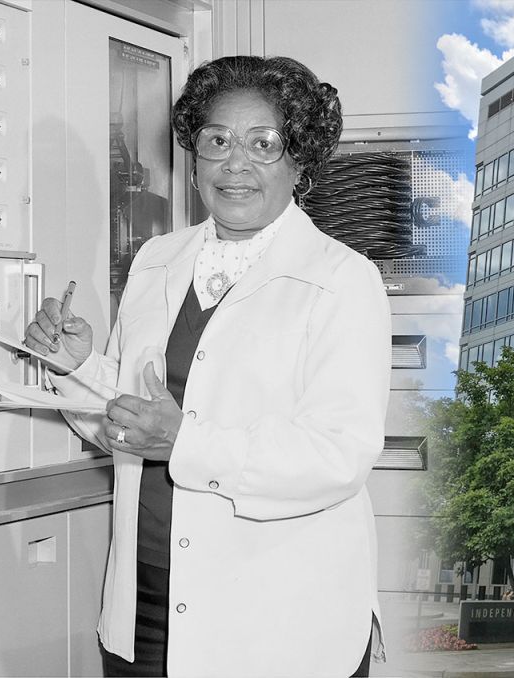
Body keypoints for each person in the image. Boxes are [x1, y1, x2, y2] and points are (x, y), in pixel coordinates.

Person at [25, 56, 390, 677]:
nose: (235, 163)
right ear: (193, 158)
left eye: (264, 143)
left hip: (275, 616)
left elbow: (338, 456)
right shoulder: (156, 260)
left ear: (299, 162)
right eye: (216, 140)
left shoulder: (343, 280)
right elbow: (131, 419)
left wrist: (185, 442)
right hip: (144, 603)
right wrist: (75, 368)